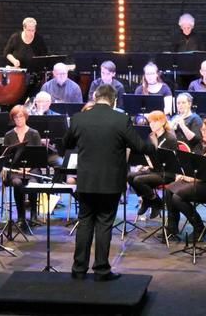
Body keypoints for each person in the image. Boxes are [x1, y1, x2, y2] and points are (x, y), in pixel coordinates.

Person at [63, 84, 156, 281]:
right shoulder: (121, 119)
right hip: (110, 182)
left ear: (96, 97)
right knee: (104, 224)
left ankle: (78, 269)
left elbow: (66, 144)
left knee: (85, 222)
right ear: (114, 100)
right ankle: (101, 270)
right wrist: (154, 144)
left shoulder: (79, 118)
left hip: (86, 181)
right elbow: (139, 146)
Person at [165, 117, 206, 241]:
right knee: (169, 189)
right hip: (202, 181)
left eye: (205, 130)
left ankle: (199, 227)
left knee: (177, 197)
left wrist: (192, 178)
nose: (202, 133)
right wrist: (187, 176)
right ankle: (172, 228)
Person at [128, 111, 178, 219]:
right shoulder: (151, 136)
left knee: (138, 180)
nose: (152, 124)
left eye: (155, 121)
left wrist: (154, 153)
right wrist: (145, 164)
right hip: (154, 170)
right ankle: (147, 199)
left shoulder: (170, 138)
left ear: (163, 122)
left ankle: (156, 201)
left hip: (166, 173)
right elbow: (148, 155)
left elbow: (169, 161)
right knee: (130, 176)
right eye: (150, 122)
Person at [2, 105, 43, 228]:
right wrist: (18, 168)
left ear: (25, 117)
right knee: (17, 183)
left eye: (21, 116)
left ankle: (34, 214)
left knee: (33, 182)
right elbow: (5, 157)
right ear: (13, 119)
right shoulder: (9, 135)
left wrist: (28, 168)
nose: (19, 119)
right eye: (16, 117)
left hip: (32, 167)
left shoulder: (34, 133)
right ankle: (21, 216)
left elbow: (38, 156)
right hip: (15, 170)